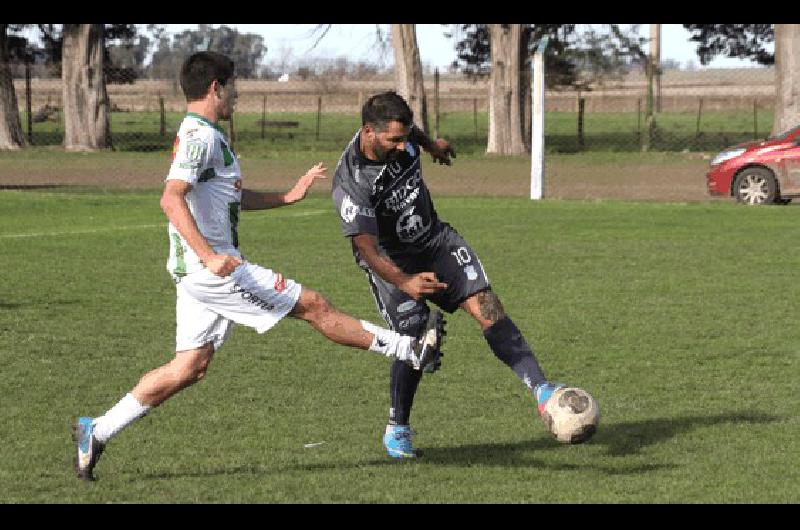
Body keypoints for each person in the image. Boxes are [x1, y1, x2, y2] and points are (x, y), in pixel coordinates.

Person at [72, 53, 444, 481]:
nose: (237, 95)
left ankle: (96, 430)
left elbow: (228, 196)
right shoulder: (200, 138)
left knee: (189, 366)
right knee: (313, 305)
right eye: (233, 87)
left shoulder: (207, 136)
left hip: (198, 272)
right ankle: (410, 349)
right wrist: (210, 256)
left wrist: (285, 197)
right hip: (214, 271)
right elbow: (171, 198)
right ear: (216, 87)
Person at [331, 91, 567, 459]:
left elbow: (412, 133)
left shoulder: (403, 138)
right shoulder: (353, 181)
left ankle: (542, 390)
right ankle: (398, 428)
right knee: (416, 338)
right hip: (392, 261)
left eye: (405, 138)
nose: (401, 146)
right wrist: (406, 282)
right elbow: (367, 249)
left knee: (487, 306)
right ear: (368, 132)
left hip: (435, 241)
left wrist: (432, 144)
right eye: (394, 140)